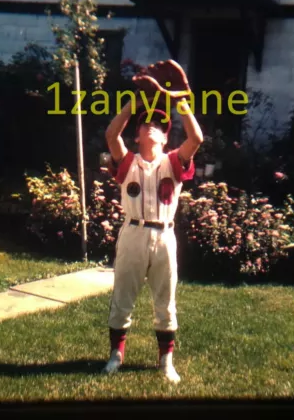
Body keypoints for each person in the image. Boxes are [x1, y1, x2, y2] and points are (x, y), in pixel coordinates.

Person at [102, 85, 203, 383]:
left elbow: (196, 138)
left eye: (158, 124)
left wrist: (182, 103)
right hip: (133, 231)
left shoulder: (172, 160)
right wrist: (132, 104)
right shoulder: (128, 160)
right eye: (145, 122)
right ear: (136, 135)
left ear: (165, 137)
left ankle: (166, 362)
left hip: (164, 235)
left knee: (165, 299)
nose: (151, 126)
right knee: (123, 295)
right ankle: (115, 355)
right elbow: (111, 136)